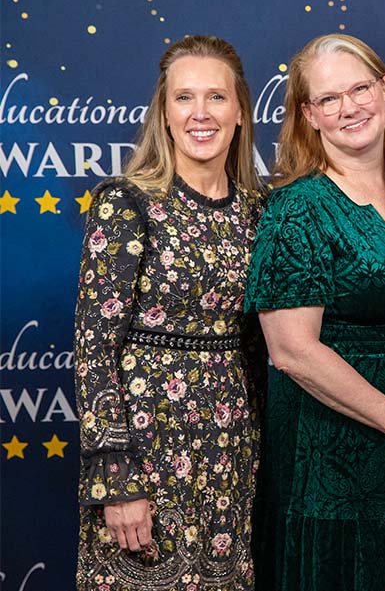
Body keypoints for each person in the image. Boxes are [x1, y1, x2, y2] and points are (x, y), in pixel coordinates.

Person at [244, 34, 385, 591]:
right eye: (328, 99)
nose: (349, 108)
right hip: (341, 457)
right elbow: (293, 351)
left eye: (361, 88)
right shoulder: (297, 208)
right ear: (309, 116)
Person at [74, 35, 265, 590]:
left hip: (234, 449)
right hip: (146, 451)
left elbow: (266, 343)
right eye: (184, 98)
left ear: (239, 112)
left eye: (216, 98)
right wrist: (116, 481)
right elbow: (93, 350)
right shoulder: (127, 201)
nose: (200, 114)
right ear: (164, 112)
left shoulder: (262, 210)